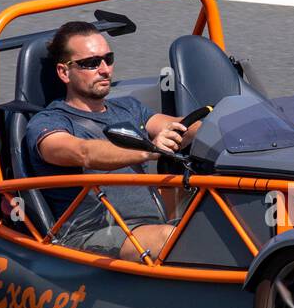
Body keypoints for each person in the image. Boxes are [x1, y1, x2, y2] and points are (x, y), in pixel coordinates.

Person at [24, 21, 198, 261]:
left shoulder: (128, 109)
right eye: (91, 63)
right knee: (172, 239)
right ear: (64, 72)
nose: (105, 70)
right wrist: (148, 150)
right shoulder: (49, 123)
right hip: (88, 235)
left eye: (108, 59)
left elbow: (180, 125)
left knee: (218, 227)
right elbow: (83, 152)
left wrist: (218, 121)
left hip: (149, 227)